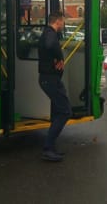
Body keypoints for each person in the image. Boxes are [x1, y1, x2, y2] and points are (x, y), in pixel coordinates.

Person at [38, 11, 72, 161]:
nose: (63, 25)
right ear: (57, 22)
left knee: (58, 111)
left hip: (50, 80)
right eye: (62, 22)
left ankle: (51, 147)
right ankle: (48, 148)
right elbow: (50, 44)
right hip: (50, 80)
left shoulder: (46, 32)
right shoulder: (50, 33)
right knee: (65, 112)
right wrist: (59, 57)